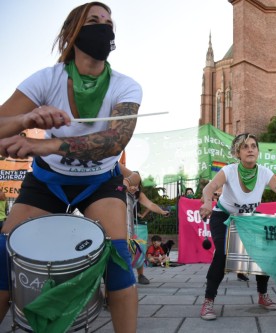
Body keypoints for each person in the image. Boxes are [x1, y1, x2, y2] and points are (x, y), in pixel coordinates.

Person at [0, 3, 142, 332]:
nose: (104, 27)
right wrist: (26, 119)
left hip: (100, 183)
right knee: (3, 256)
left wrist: (46, 144)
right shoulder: (46, 79)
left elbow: (115, 141)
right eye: (94, 21)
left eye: (109, 23)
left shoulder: (126, 85)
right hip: (47, 182)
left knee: (118, 259)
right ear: (73, 32)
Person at [198, 133, 276, 320]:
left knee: (265, 249)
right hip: (224, 217)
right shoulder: (229, 171)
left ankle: (262, 295)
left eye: (253, 146)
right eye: (245, 146)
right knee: (223, 253)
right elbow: (209, 188)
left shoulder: (265, 173)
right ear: (238, 153)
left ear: (258, 151)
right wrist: (208, 203)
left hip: (248, 219)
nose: (250, 149)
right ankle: (208, 301)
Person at [120, 165, 169, 284]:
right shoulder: (118, 191)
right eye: (131, 182)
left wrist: (162, 211)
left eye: (136, 183)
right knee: (122, 250)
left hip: (136, 225)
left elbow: (150, 205)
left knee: (139, 249)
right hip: (121, 224)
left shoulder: (138, 194)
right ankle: (123, 275)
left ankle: (141, 275)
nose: (134, 186)